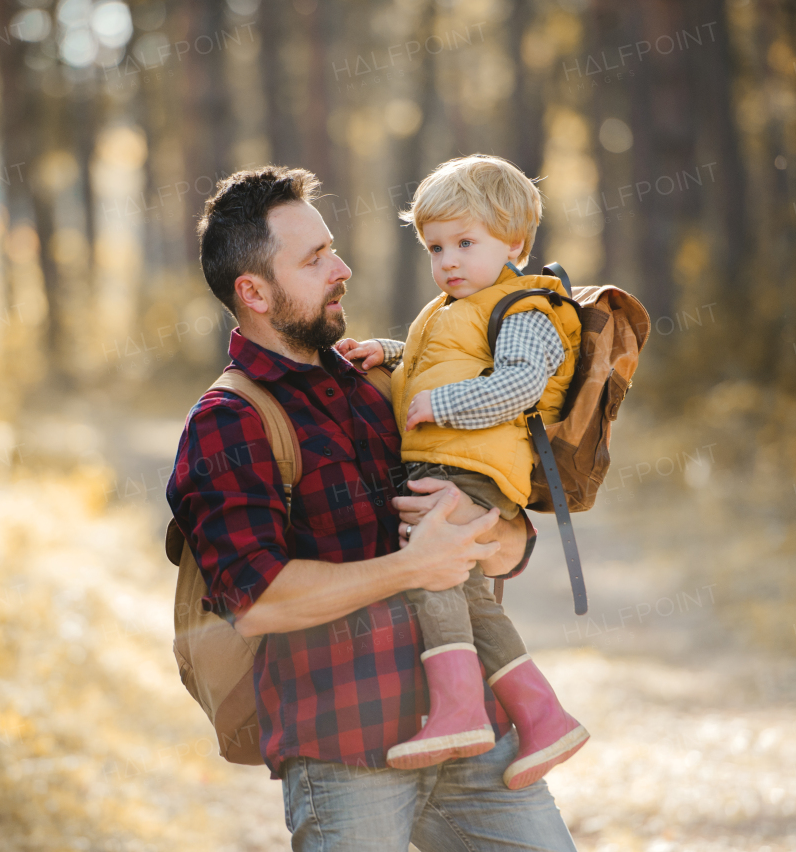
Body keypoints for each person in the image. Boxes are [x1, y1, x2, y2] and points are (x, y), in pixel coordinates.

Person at [166, 165, 579, 851]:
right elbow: (259, 601)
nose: (343, 268)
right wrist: (413, 565)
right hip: (346, 758)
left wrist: (485, 527)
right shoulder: (230, 421)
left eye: (332, 247)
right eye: (316, 259)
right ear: (255, 292)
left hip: (478, 735)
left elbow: (511, 547)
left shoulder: (379, 382)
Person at [335, 154, 588, 788]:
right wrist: (386, 352)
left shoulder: (527, 308)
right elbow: (438, 358)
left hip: (474, 468)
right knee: (469, 597)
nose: (448, 260)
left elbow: (521, 382)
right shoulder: (454, 306)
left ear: (516, 243)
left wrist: (442, 405)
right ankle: (543, 716)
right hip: (450, 462)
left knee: (431, 571)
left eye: (466, 243)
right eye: (436, 246)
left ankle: (457, 709)